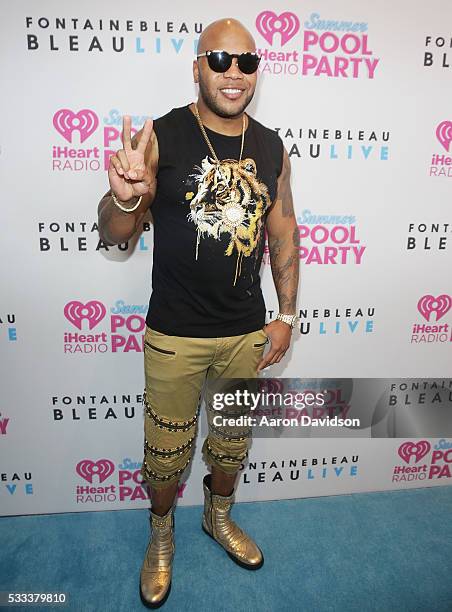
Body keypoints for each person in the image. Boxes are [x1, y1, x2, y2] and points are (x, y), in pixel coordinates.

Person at [97, 17, 299, 609]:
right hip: (175, 334)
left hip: (245, 333)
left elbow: (282, 229)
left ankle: (218, 517)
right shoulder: (162, 136)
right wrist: (126, 196)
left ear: (256, 71)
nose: (232, 73)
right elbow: (116, 233)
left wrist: (287, 313)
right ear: (197, 67)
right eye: (218, 60)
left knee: (232, 442)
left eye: (245, 62)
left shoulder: (269, 145)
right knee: (166, 452)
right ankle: (161, 535)